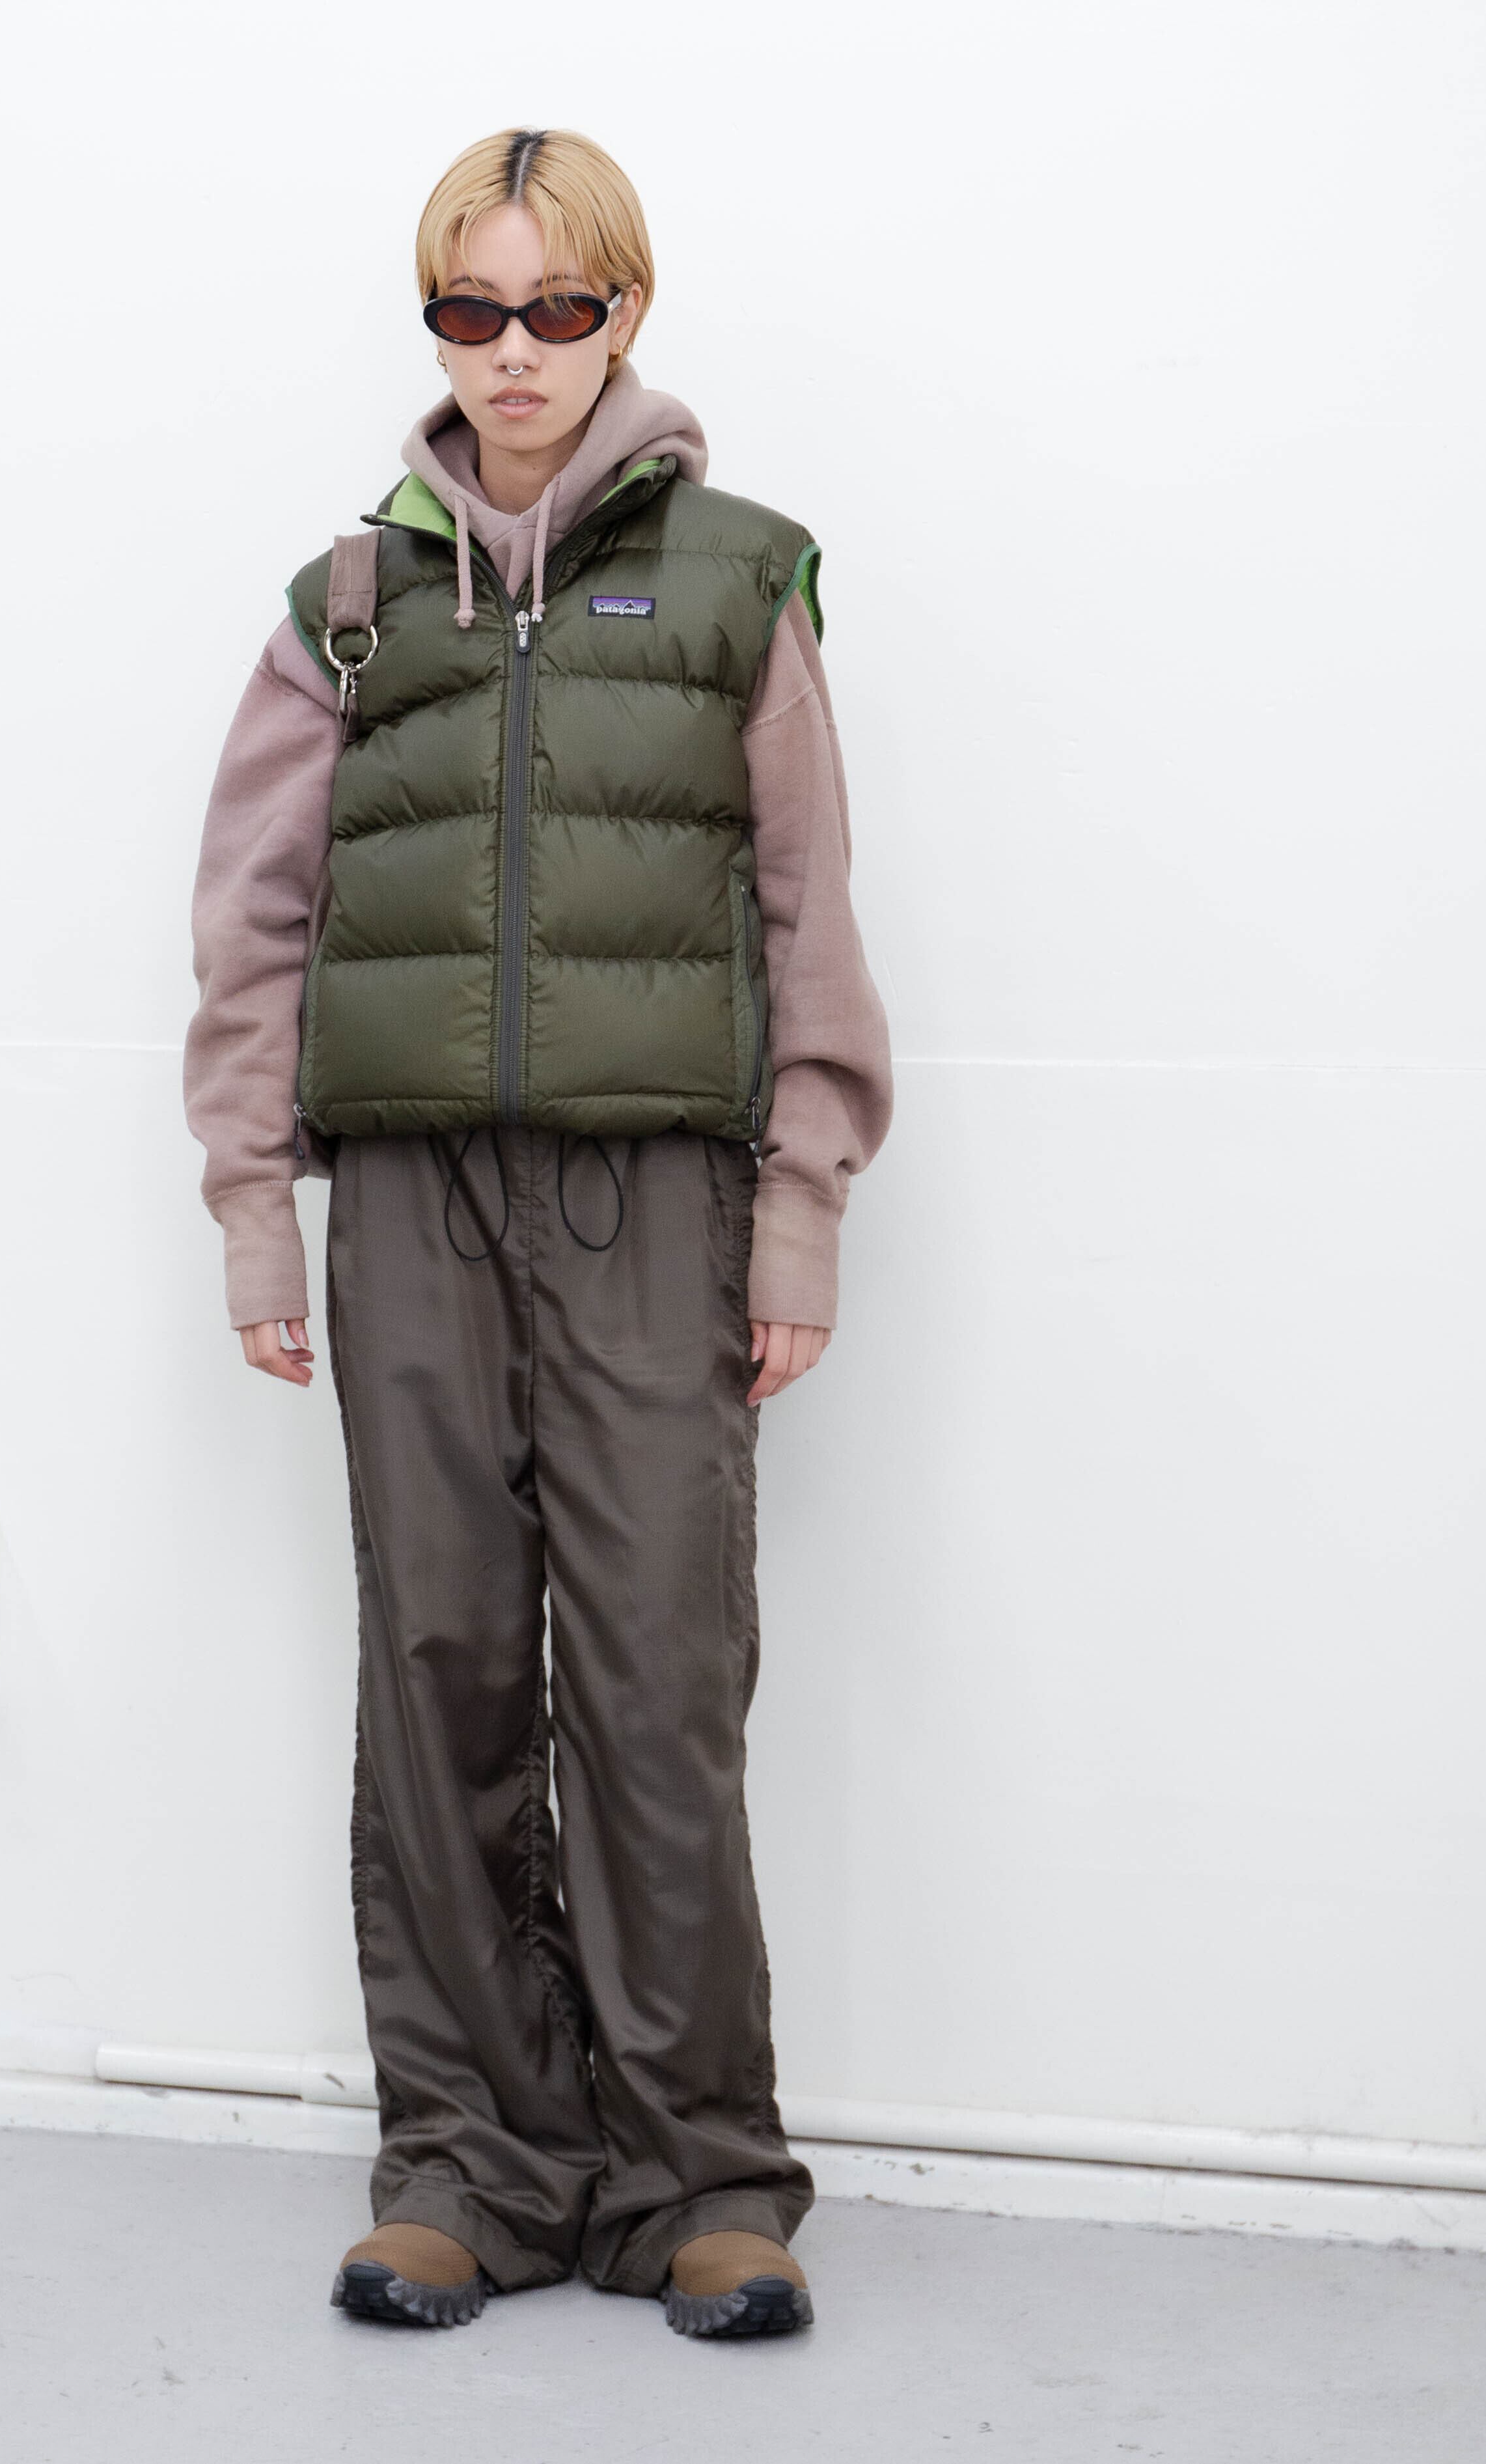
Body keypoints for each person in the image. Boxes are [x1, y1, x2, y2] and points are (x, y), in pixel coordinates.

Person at [182, 126, 892, 2339]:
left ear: (623, 314)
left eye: (556, 309)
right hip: (407, 1194)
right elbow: (252, 927)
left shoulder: (738, 580)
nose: (512, 352)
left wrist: (799, 1211)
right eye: (470, 310)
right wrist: (253, 1210)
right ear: (436, 323)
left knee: (660, 1679)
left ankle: (700, 2177)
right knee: (441, 1667)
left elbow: (807, 917)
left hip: (652, 1194)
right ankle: (471, 2163)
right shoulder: (350, 601)